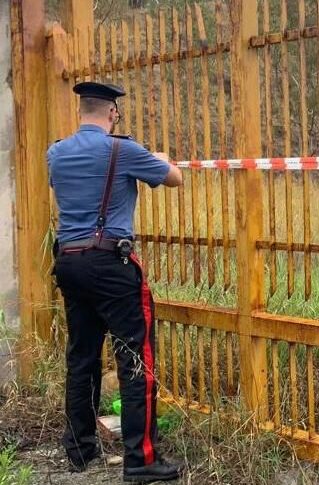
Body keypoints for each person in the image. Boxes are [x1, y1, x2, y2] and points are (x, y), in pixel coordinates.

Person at [48, 81, 184, 482]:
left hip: (69, 262)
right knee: (135, 358)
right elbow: (174, 178)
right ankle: (142, 460)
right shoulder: (123, 150)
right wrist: (159, 157)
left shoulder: (56, 152)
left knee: (82, 356)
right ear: (112, 113)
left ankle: (79, 448)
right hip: (110, 263)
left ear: (81, 112)